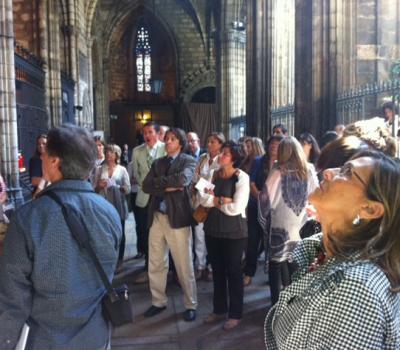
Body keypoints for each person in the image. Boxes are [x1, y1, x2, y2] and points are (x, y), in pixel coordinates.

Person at [0, 124, 121, 349]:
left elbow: (12, 299)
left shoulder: (28, 218)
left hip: (45, 339)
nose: (42, 157)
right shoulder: (109, 212)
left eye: (45, 154)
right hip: (96, 336)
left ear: (55, 161)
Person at [265, 150, 400, 349]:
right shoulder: (324, 251)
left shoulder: (354, 290)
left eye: (347, 173)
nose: (328, 172)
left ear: (369, 209)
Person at [142, 128, 198, 322]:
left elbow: (183, 179)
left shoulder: (189, 161)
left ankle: (190, 304)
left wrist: (160, 184)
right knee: (156, 262)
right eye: (166, 139)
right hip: (157, 216)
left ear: (180, 143)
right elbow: (146, 185)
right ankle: (158, 301)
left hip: (178, 218)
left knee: (184, 264)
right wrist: (169, 186)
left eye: (172, 139)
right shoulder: (159, 162)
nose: (167, 142)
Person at [258, 136, 318, 305]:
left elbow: (264, 199)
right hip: (302, 226)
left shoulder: (277, 171)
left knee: (276, 265)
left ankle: (276, 306)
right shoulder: (310, 169)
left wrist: (265, 223)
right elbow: (316, 196)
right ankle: (296, 304)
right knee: (297, 265)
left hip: (280, 227)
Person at [200, 141, 250, 330]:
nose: (221, 156)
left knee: (234, 273)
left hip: (234, 232)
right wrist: (222, 200)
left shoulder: (241, 178)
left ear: (234, 159)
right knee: (217, 271)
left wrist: (214, 201)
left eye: (226, 154)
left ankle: (235, 313)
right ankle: (219, 309)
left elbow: (236, 209)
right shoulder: (213, 173)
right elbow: (201, 198)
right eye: (221, 152)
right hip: (212, 229)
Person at [243, 135, 283, 286]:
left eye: (277, 144)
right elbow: (251, 181)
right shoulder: (259, 161)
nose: (274, 146)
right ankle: (248, 273)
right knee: (253, 241)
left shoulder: (284, 163)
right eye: (272, 143)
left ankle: (272, 275)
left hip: (276, 209)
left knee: (272, 243)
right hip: (257, 205)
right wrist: (260, 196)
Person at [191, 132, 226, 280]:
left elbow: (216, 184)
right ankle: (200, 265)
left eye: (213, 142)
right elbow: (194, 178)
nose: (209, 144)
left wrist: (203, 184)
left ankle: (212, 267)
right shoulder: (202, 158)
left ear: (220, 144)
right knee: (199, 236)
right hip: (200, 202)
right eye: (209, 141)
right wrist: (203, 184)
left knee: (213, 236)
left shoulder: (222, 160)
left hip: (214, 203)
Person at [132, 121, 165, 269]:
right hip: (144, 196)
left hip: (161, 196)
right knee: (145, 230)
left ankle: (163, 265)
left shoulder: (165, 149)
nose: (147, 135)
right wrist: (146, 184)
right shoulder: (137, 151)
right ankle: (147, 264)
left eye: (150, 132)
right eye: (145, 133)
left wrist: (157, 186)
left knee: (161, 232)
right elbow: (136, 173)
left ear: (158, 134)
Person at [94, 144, 131, 265]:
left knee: (120, 232)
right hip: (104, 204)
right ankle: (108, 257)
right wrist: (100, 186)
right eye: (108, 152)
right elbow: (93, 188)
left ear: (117, 155)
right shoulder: (100, 169)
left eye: (112, 152)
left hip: (118, 204)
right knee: (105, 231)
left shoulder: (122, 169)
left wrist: (118, 187)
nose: (109, 154)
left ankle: (119, 260)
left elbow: (128, 189)